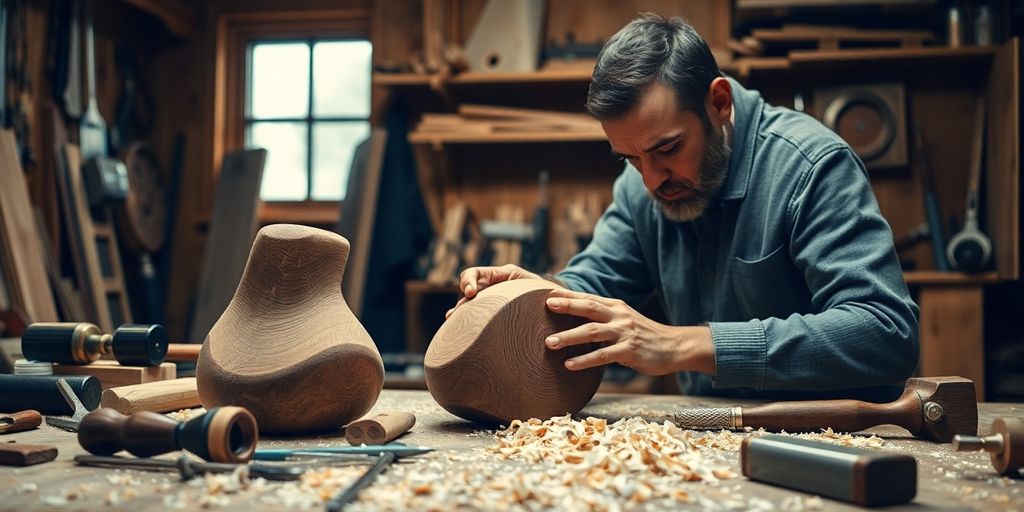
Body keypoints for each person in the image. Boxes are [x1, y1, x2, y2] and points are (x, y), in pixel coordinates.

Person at [447, 14, 919, 401]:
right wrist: (533, 294)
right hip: (713, 433)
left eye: (668, 149)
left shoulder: (811, 167)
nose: (651, 179)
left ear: (718, 103)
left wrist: (683, 345)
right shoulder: (640, 189)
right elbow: (591, 287)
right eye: (631, 158)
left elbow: (885, 333)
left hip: (841, 439)